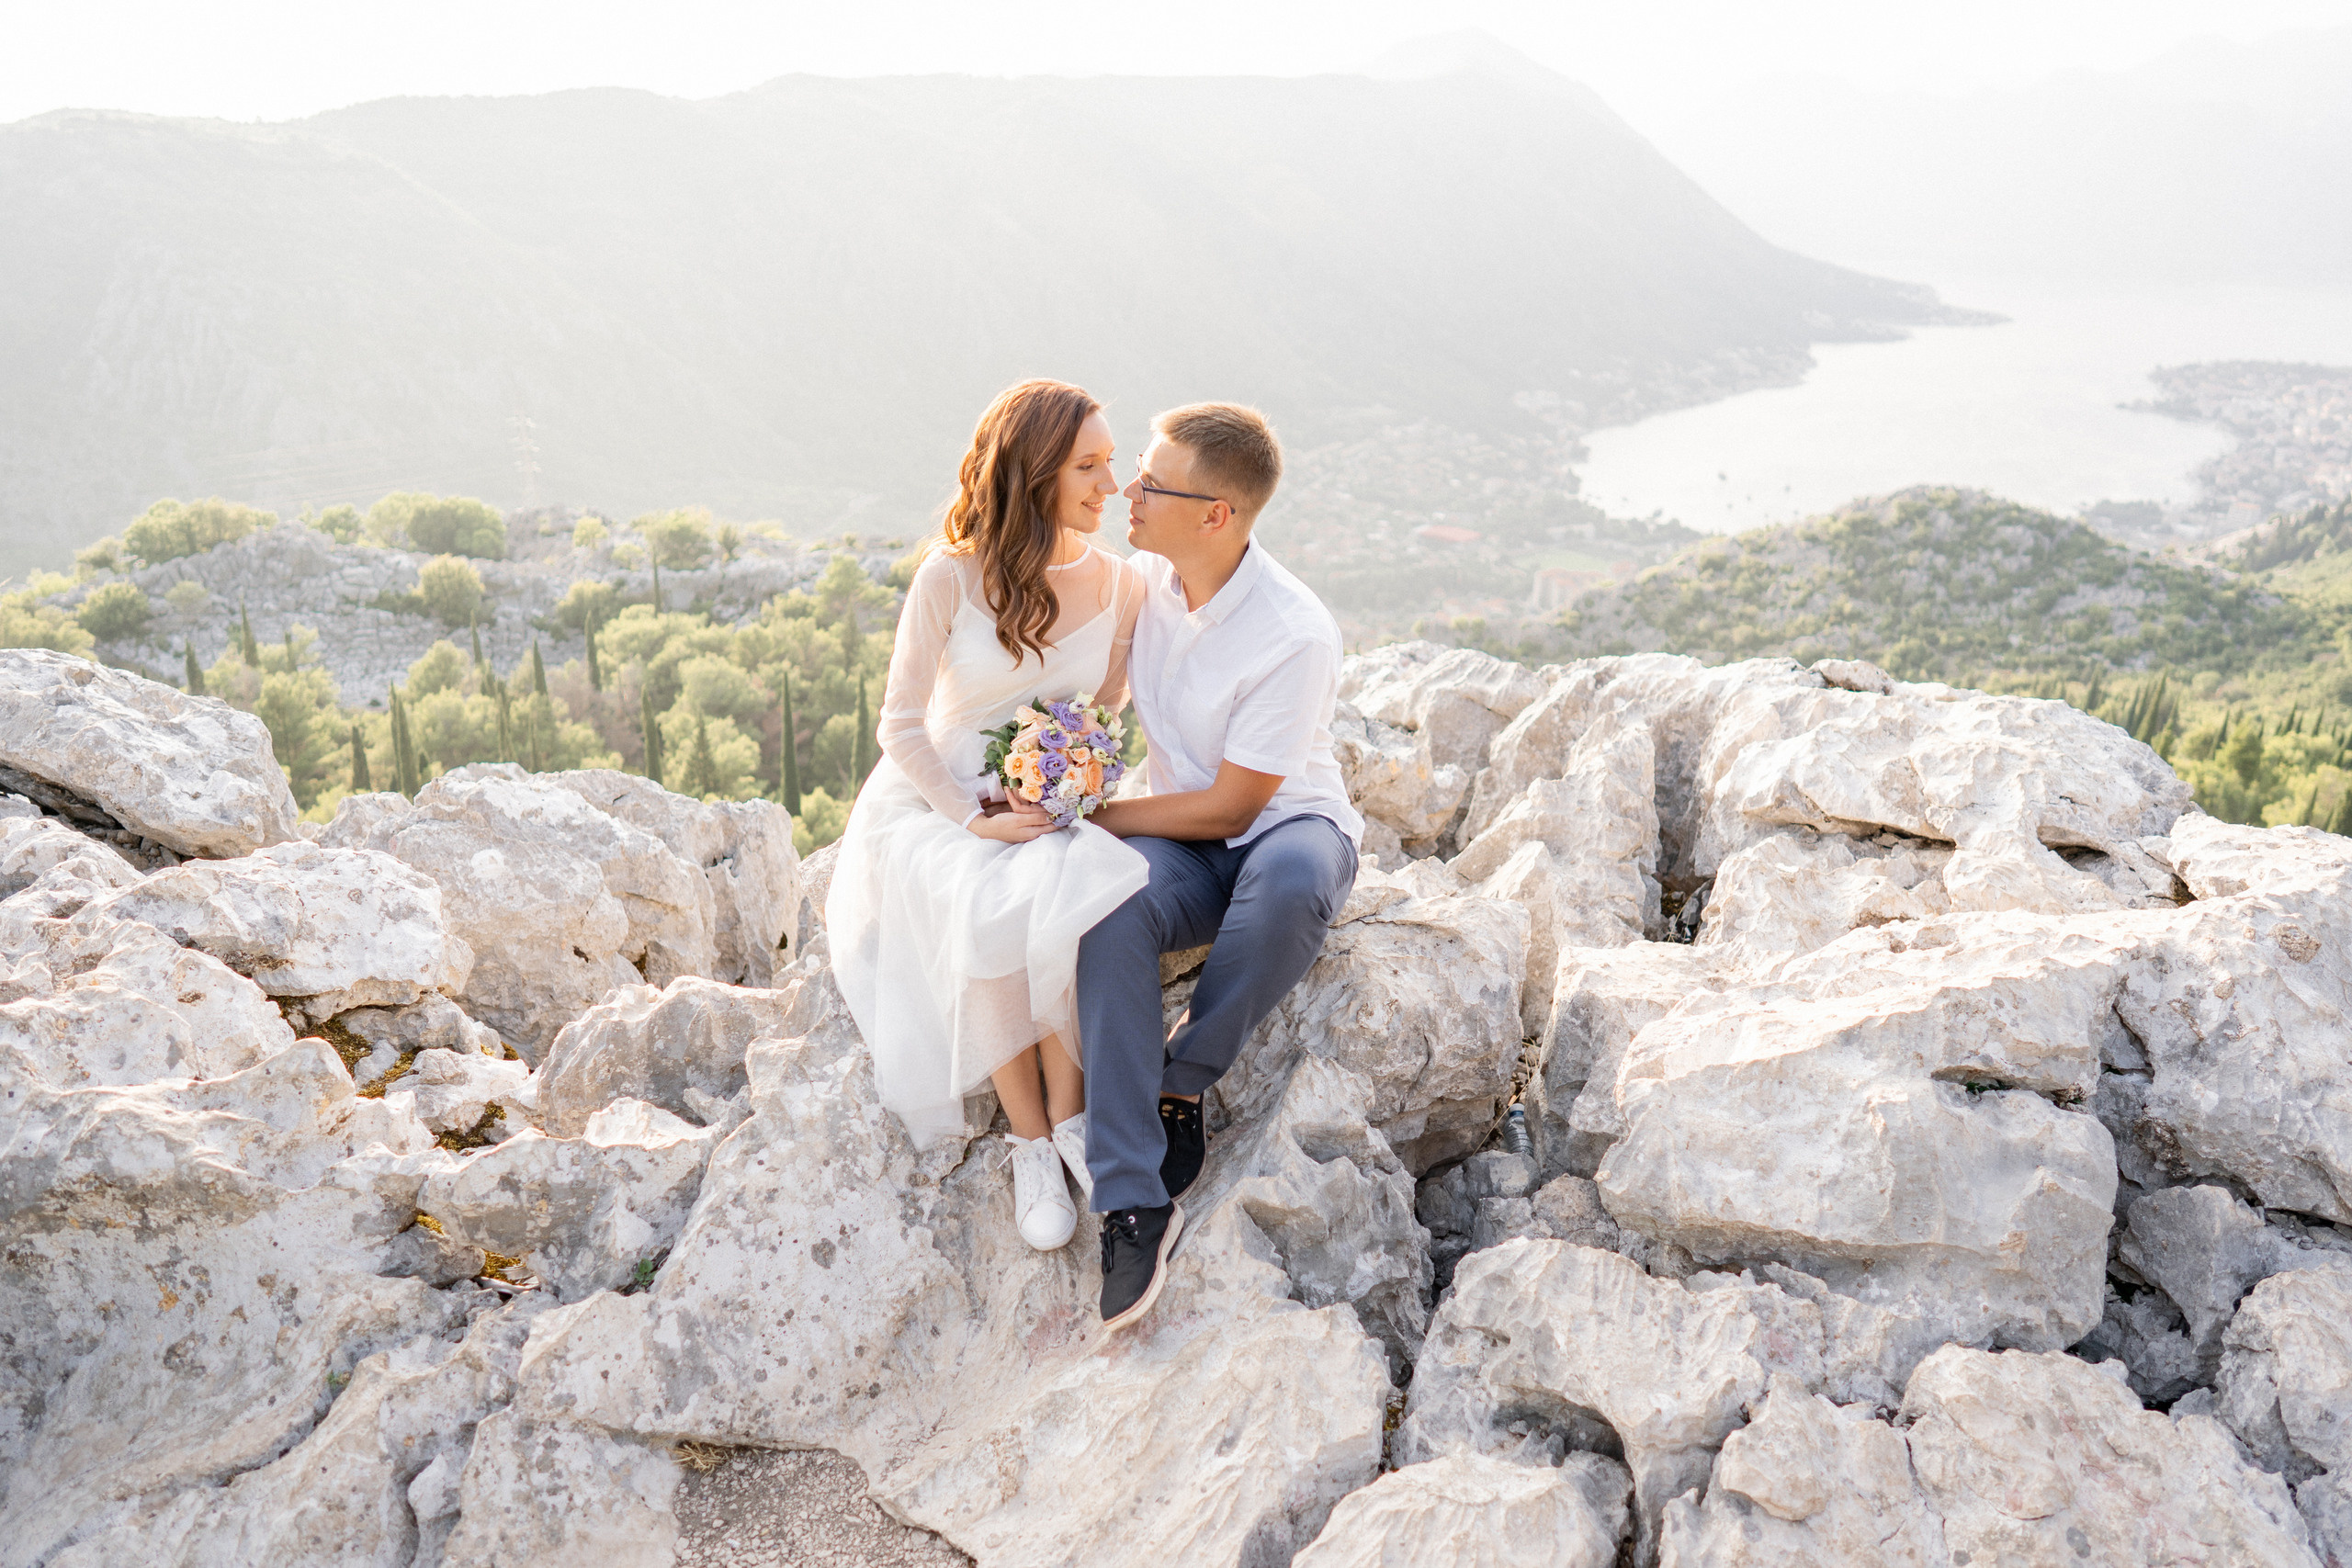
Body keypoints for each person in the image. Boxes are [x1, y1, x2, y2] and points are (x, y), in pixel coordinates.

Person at [827, 378, 1149, 1252]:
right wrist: (971, 816)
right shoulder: (951, 575)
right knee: (986, 896)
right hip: (942, 802)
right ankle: (1030, 1142)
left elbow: (1110, 709)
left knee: (1078, 892)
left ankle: (1076, 1122)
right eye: (1089, 465)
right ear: (1036, 470)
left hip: (1046, 796)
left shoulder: (1121, 585)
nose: (1110, 486)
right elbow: (898, 722)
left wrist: (1072, 774)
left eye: (1111, 464)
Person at [1079, 402, 1363, 1330]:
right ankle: (1130, 1196)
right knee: (1105, 906)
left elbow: (1239, 806)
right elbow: (1083, 692)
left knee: (1284, 890)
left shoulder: (1292, 631)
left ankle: (1181, 1080)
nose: (1130, 490)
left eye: (1152, 483)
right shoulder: (1141, 589)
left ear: (1215, 515)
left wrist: (1100, 814)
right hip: (1185, 847)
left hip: (1283, 827)